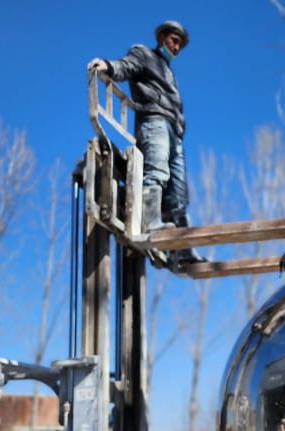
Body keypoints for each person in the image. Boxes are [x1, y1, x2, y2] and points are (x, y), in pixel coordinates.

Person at [87, 20, 204, 265]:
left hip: (174, 131)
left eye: (180, 44)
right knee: (156, 172)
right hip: (154, 122)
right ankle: (152, 225)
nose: (176, 47)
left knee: (179, 194)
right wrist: (107, 65)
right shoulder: (144, 54)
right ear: (162, 36)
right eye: (174, 40)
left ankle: (182, 249)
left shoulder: (169, 71)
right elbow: (125, 66)